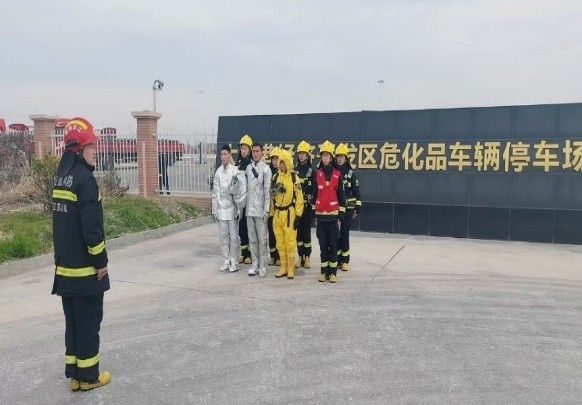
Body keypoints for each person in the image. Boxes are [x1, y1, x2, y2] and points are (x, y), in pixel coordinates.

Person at [51, 117, 111, 391]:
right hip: (86, 272)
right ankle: (89, 378)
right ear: (79, 150)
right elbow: (92, 230)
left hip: (65, 269)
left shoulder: (61, 178)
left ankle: (76, 375)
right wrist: (101, 262)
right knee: (88, 324)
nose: (95, 151)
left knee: (73, 324)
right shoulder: (85, 180)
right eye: (91, 146)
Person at [313, 140, 346, 283]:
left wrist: (341, 215)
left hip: (333, 217)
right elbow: (314, 195)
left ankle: (333, 273)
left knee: (332, 246)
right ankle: (324, 272)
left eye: (327, 155)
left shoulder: (337, 174)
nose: (325, 158)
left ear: (331, 157)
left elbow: (341, 196)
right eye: (323, 156)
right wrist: (314, 214)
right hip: (321, 217)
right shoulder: (317, 174)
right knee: (323, 246)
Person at [212, 144, 247, 272]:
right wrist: (215, 209)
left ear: (229, 155)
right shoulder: (218, 172)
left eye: (225, 154)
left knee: (234, 237)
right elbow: (215, 192)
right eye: (221, 154)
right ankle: (226, 261)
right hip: (221, 210)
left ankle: (234, 262)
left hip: (232, 209)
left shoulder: (235, 171)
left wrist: (239, 208)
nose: (223, 157)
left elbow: (240, 192)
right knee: (223, 237)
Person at [272, 150, 304, 279]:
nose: (282, 165)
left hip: (289, 214)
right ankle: (283, 267)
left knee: (290, 242)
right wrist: (271, 212)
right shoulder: (275, 177)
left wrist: (298, 215)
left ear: (289, 163)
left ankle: (291, 268)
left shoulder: (294, 178)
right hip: (277, 213)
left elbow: (299, 197)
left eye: (284, 163)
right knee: (280, 242)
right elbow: (271, 197)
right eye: (281, 162)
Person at [245, 142, 272, 277]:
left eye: (257, 151)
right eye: (253, 151)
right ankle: (254, 264)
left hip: (261, 210)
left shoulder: (266, 169)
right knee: (252, 239)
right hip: (249, 209)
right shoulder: (248, 168)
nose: (255, 153)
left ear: (262, 153)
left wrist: (266, 209)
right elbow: (245, 189)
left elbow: (267, 191)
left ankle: (263, 265)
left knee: (262, 239)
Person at [335, 143, 362, 271]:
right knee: (336, 236)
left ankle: (345, 261)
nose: (340, 159)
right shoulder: (333, 172)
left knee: (344, 235)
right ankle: (337, 259)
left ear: (346, 158)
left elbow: (357, 192)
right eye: (338, 156)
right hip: (335, 210)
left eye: (342, 156)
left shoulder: (351, 174)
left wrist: (358, 208)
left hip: (347, 212)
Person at [294, 140, 316, 270]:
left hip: (307, 208)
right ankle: (300, 256)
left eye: (304, 153)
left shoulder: (311, 171)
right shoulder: (294, 170)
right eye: (300, 153)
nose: (301, 156)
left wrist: (313, 207)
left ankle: (307, 257)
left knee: (306, 233)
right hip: (297, 207)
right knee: (298, 234)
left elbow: (314, 190)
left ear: (307, 155)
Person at [236, 134, 253, 264]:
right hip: (240, 201)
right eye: (242, 148)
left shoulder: (252, 165)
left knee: (249, 228)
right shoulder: (238, 163)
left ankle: (250, 254)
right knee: (241, 228)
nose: (243, 151)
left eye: (246, 149)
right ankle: (243, 252)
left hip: (250, 200)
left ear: (250, 150)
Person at [267, 147, 281, 266]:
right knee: (271, 234)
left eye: (277, 159)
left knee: (280, 234)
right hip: (270, 209)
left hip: (280, 210)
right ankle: (272, 256)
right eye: (273, 159)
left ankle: (280, 257)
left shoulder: (283, 174)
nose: (274, 162)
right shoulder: (268, 173)